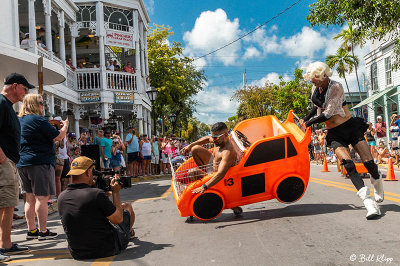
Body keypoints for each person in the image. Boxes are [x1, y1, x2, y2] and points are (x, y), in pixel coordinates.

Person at [300, 61, 383, 219]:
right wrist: (305, 119)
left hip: (349, 128)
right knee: (348, 165)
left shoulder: (336, 87)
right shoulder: (316, 88)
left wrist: (310, 123)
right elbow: (316, 107)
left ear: (323, 76)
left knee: (368, 163)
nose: (311, 80)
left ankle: (377, 180)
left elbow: (328, 113)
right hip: (334, 133)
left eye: (314, 77)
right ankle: (369, 202)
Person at [58, 156, 135, 260]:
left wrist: (104, 197)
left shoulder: (62, 197)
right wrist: (115, 192)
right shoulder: (96, 194)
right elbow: (118, 219)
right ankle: (128, 233)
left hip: (78, 253)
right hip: (107, 249)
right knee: (127, 208)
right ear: (88, 172)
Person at [17, 94, 69, 240]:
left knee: (29, 198)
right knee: (42, 198)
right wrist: (65, 126)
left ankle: (32, 230)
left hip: (23, 162)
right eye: (40, 103)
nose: (43, 106)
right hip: (39, 162)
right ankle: (43, 231)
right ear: (33, 104)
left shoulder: (20, 120)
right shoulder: (38, 119)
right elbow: (58, 136)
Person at [0, 73, 32, 261]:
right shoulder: (2, 103)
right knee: (5, 205)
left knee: (8, 205)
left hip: (9, 161)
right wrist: (2, 156)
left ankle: (6, 244)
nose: (25, 94)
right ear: (15, 85)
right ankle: (3, 247)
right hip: (4, 162)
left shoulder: (8, 106)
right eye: (25, 89)